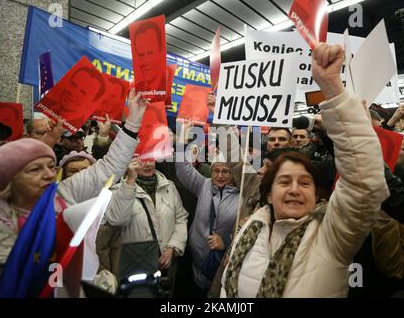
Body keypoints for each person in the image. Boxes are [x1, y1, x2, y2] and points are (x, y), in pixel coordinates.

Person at [219, 43, 389, 297]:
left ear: (317, 192)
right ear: (268, 193)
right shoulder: (250, 227)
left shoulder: (333, 236)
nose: (295, 189)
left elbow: (363, 183)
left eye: (305, 182)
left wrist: (332, 88)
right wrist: (220, 119)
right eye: (284, 181)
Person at [0, 89, 148, 289]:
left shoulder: (63, 193)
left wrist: (133, 123)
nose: (49, 175)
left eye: (51, 166)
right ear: (10, 178)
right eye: (35, 169)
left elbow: (108, 168)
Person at [105, 155, 188, 293]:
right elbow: (117, 219)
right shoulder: (118, 192)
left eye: (150, 159)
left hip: (168, 265)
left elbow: (181, 218)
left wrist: (172, 248)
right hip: (136, 267)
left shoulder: (169, 186)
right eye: (141, 160)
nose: (148, 164)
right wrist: (131, 180)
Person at [176, 140, 239, 297]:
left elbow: (244, 229)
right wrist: (181, 143)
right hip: (196, 259)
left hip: (221, 265)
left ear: (234, 174)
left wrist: (225, 242)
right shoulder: (203, 185)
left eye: (225, 171)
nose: (219, 175)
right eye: (216, 170)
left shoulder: (242, 197)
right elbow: (183, 169)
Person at [131, 21, 166, 100]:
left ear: (161, 52)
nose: (145, 62)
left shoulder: (165, 89)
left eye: (150, 53)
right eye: (141, 55)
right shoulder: (136, 91)